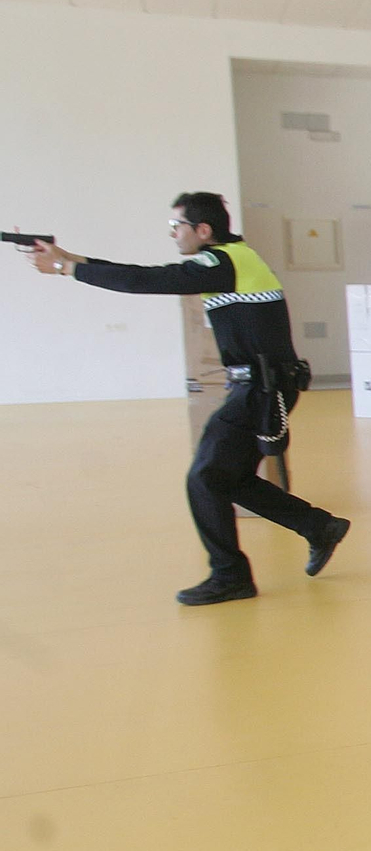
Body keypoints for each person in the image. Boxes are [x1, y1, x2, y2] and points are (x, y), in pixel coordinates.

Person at [23, 192, 351, 606]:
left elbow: (150, 280)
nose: (173, 235)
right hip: (261, 386)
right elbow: (147, 274)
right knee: (227, 478)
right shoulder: (231, 258)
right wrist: (72, 258)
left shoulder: (223, 261)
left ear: (203, 230)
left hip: (260, 388)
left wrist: (69, 268)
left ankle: (230, 575)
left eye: (176, 227)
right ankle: (318, 527)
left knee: (203, 477)